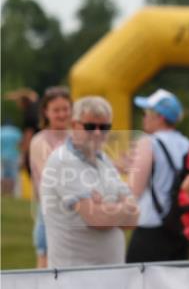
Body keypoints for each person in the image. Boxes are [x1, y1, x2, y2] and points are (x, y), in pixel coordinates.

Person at [39, 96, 140, 267]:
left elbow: (134, 218)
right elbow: (98, 220)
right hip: (75, 277)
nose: (98, 133)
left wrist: (107, 209)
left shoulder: (104, 160)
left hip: (109, 275)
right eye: (90, 127)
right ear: (74, 125)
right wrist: (120, 208)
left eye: (105, 127)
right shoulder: (63, 161)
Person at [126, 89, 189, 263]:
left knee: (139, 286)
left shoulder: (148, 142)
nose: (144, 118)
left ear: (160, 118)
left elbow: (135, 189)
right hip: (180, 228)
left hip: (151, 226)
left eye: (147, 113)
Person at [28, 87, 74, 267]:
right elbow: (51, 177)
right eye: (56, 110)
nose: (62, 114)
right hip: (50, 212)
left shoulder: (78, 138)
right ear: (46, 112)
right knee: (46, 264)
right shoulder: (40, 141)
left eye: (65, 109)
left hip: (75, 211)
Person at [0, 117, 22, 196]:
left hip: (2, 156)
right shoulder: (16, 131)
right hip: (13, 156)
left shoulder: (1, 131)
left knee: (3, 175)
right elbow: (20, 144)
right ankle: (11, 193)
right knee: (13, 175)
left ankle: (3, 192)